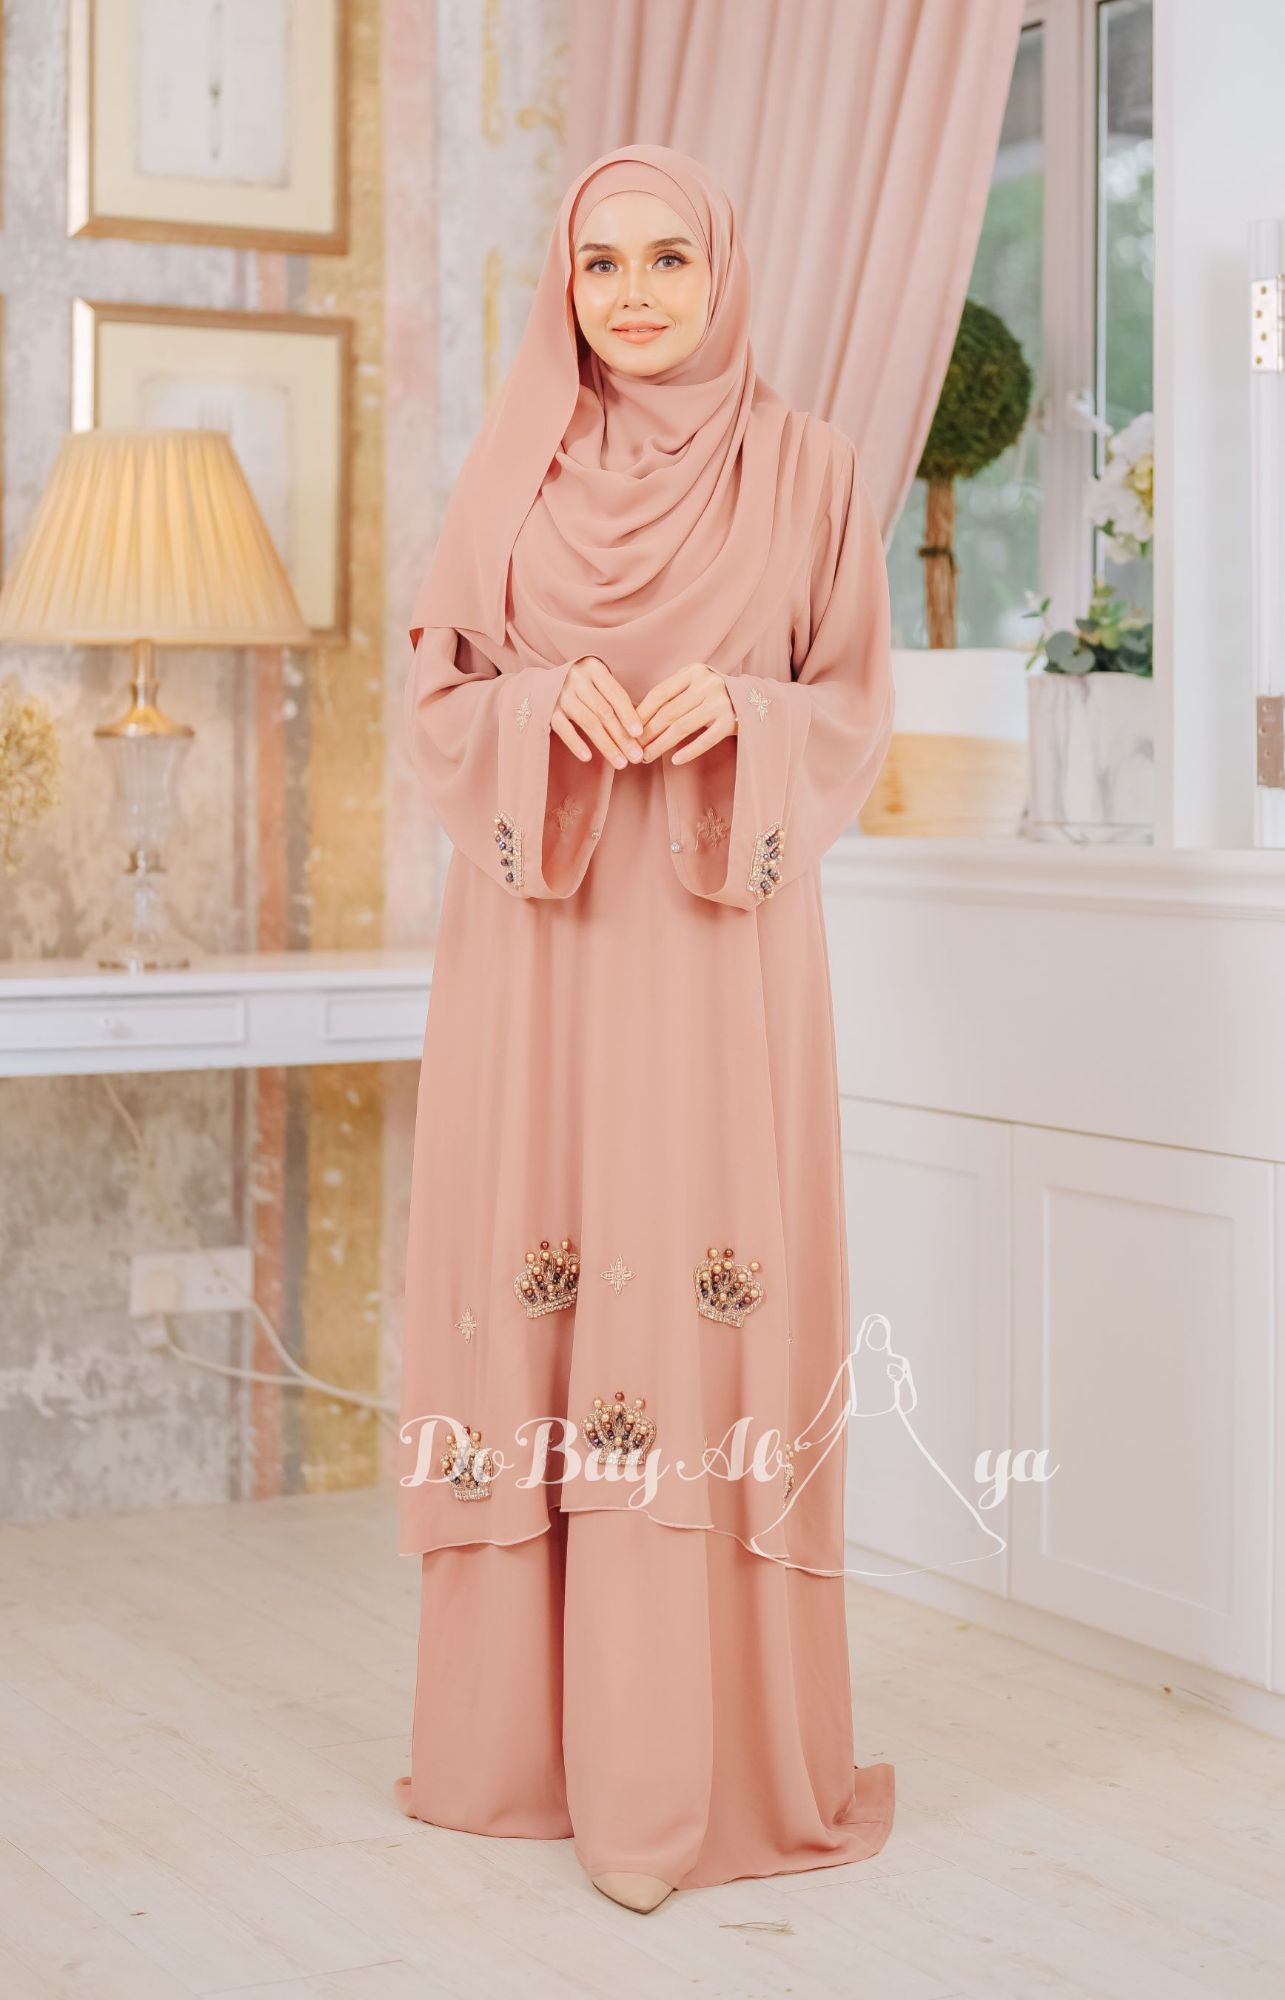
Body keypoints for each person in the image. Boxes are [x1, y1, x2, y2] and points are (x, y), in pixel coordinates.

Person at [393, 141, 897, 1913]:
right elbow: (436, 692)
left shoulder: (810, 468)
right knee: (531, 1274)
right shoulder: (510, 465)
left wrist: (744, 714)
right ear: (566, 283)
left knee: (704, 1290)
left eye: (666, 258)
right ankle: (522, 1753)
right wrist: (540, 703)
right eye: (598, 262)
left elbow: (850, 702)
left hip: (712, 951)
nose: (631, 294)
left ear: (720, 270)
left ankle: (700, 1759)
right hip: (538, 947)